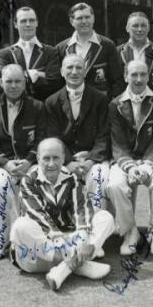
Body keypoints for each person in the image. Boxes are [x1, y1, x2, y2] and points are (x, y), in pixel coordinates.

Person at [9, 138, 115, 292]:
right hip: (39, 254)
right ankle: (79, 264)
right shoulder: (28, 181)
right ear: (38, 159)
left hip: (69, 242)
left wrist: (82, 237)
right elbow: (37, 215)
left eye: (56, 158)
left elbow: (81, 210)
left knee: (105, 217)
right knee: (20, 225)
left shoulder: (73, 179)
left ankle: (64, 269)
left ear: (64, 158)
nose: (51, 164)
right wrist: (61, 240)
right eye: (46, 158)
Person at [107, 60, 153, 256]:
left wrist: (146, 166)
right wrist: (129, 167)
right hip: (125, 160)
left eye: (143, 75)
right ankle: (131, 232)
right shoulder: (115, 104)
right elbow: (117, 142)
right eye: (134, 75)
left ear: (149, 76)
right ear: (125, 76)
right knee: (114, 185)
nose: (138, 79)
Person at [0, 64, 46, 261]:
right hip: (2, 164)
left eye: (18, 81)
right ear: (1, 83)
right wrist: (6, 163)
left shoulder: (37, 107)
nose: (13, 85)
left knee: (37, 183)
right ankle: (0, 240)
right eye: (9, 81)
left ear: (25, 83)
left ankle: (30, 239)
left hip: (30, 162)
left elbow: (42, 138)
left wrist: (28, 161)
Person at [45, 54, 110, 216]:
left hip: (94, 158)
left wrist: (90, 160)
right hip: (65, 159)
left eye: (79, 67)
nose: (74, 72)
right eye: (69, 67)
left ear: (86, 71)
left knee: (98, 177)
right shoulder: (52, 102)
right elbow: (53, 137)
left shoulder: (100, 99)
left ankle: (97, 228)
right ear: (61, 71)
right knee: (56, 177)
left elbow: (104, 134)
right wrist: (68, 161)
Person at [55, 2, 123, 98]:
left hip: (100, 105)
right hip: (72, 103)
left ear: (93, 18)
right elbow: (57, 82)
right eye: (79, 18)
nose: (84, 21)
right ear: (71, 21)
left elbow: (117, 80)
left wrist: (109, 103)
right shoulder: (61, 48)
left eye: (87, 17)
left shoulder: (108, 45)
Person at [0, 6, 62, 101]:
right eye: (23, 21)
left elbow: (54, 81)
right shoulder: (5, 53)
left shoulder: (51, 51)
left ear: (37, 23)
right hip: (16, 108)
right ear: (15, 24)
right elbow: (2, 78)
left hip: (43, 108)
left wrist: (19, 76)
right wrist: (39, 74)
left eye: (31, 20)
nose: (28, 24)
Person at [117, 11, 153, 99]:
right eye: (135, 26)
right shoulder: (118, 51)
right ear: (127, 28)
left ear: (148, 28)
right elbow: (117, 82)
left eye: (143, 26)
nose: (139, 29)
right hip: (127, 102)